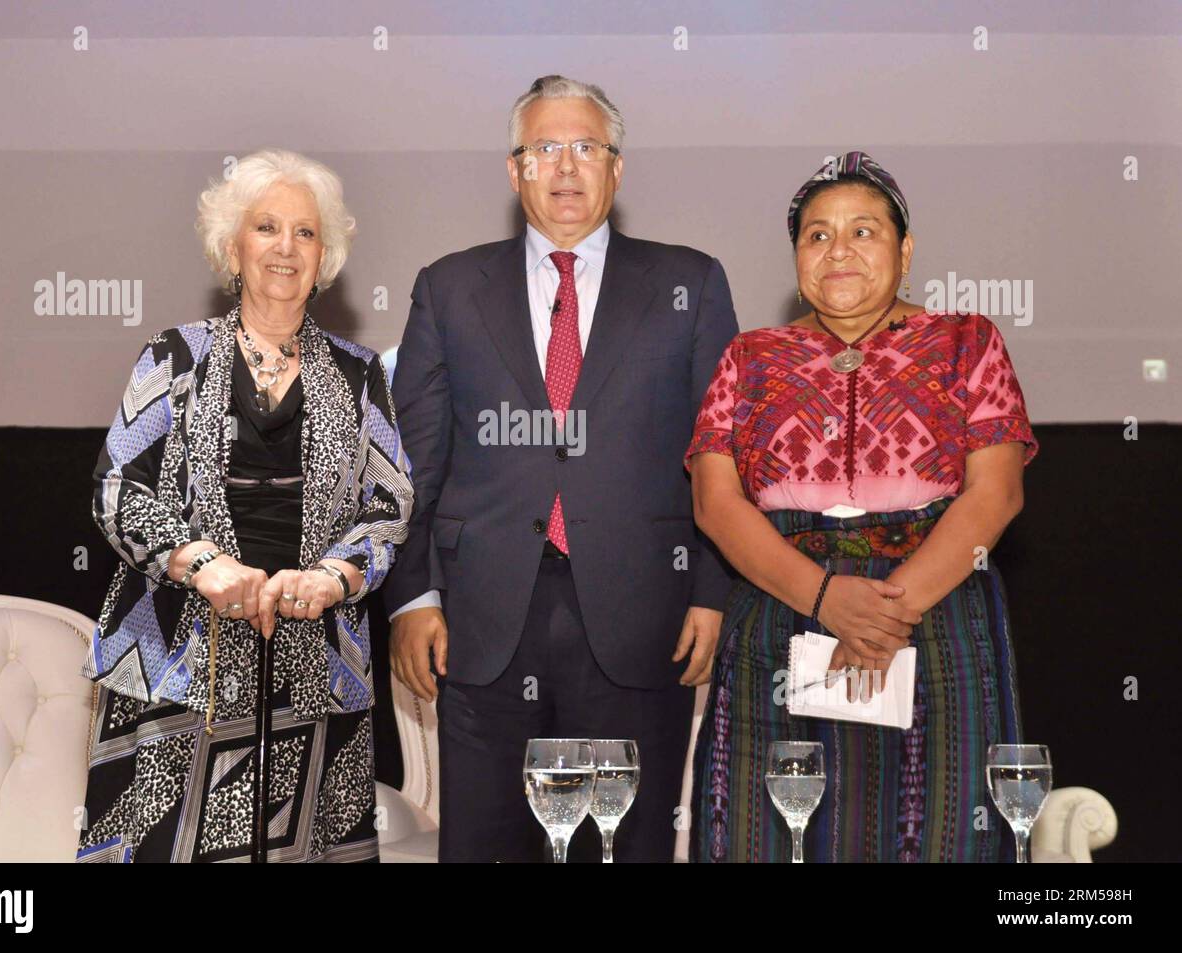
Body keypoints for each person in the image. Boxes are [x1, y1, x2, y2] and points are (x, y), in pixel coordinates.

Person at [384, 75, 739, 862]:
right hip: (482, 622)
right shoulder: (448, 288)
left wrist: (712, 592)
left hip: (642, 614)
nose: (567, 167)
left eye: (588, 148)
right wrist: (412, 594)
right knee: (486, 846)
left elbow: (722, 454)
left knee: (626, 844)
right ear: (515, 171)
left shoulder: (691, 283)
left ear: (619, 169)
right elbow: (413, 462)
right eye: (546, 148)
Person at [686, 152, 1039, 862]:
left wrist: (880, 614)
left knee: (940, 834)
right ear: (796, 256)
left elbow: (996, 493)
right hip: (780, 620)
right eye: (816, 235)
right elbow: (716, 503)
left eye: (863, 231)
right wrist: (824, 598)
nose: (837, 250)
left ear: (905, 251)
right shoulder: (749, 357)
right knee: (767, 837)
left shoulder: (966, 341)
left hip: (936, 618)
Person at [77, 149, 413, 862]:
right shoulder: (171, 357)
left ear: (325, 257)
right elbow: (115, 489)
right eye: (266, 227)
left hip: (318, 666)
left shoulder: (360, 375)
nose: (285, 247)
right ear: (233, 247)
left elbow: (389, 506)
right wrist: (200, 562)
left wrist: (335, 577)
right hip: (173, 665)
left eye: (305, 232)